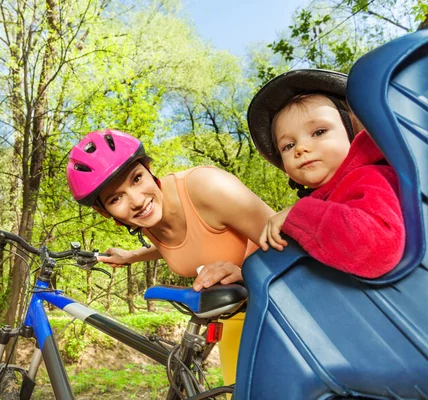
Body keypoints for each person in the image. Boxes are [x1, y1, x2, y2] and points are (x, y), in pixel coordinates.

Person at [66, 128, 274, 384]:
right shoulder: (148, 222)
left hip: (280, 305)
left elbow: (290, 241)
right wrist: (131, 256)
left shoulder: (206, 188)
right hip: (235, 317)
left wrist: (247, 274)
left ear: (150, 170)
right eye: (116, 198)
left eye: (137, 178)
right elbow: (181, 244)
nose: (137, 200)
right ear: (105, 212)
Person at [247, 69, 405, 278]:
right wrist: (245, 277)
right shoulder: (314, 206)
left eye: (319, 132)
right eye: (288, 145)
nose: (300, 148)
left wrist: (300, 214)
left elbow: (378, 251)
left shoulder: (370, 177)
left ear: (353, 132)